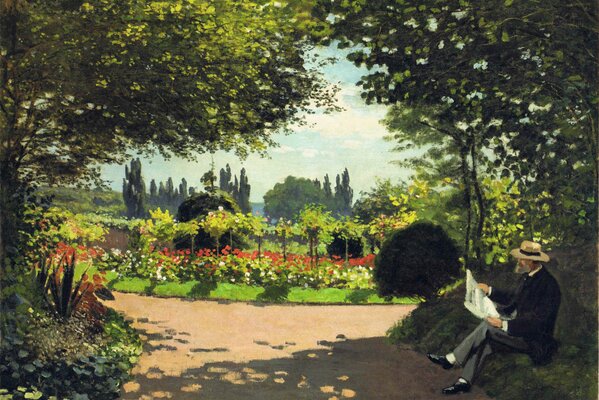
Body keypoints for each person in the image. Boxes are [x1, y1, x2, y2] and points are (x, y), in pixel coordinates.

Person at [427, 240, 561, 395]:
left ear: (532, 261)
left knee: (487, 328)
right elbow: (513, 299)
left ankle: (451, 360)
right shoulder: (528, 277)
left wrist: (503, 325)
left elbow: (538, 322)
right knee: (486, 341)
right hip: (519, 330)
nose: (518, 261)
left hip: (534, 341)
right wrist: (489, 290)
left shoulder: (549, 285)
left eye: (522, 258)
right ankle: (464, 382)